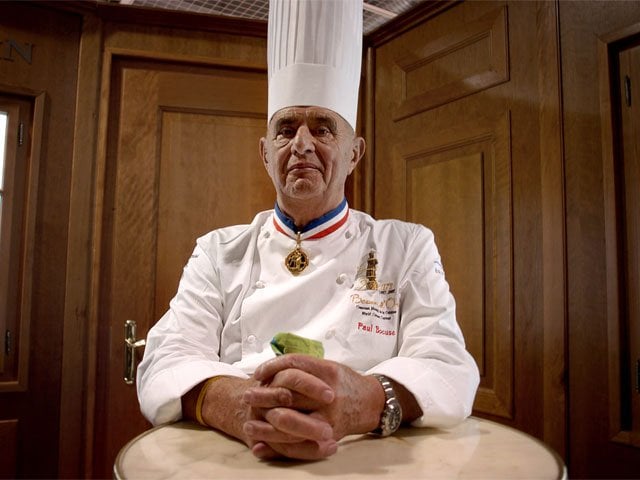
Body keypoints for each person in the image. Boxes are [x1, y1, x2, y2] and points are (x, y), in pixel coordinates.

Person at [137, 0, 479, 462]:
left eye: (322, 128)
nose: (301, 144)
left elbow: (448, 366)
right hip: (242, 455)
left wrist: (361, 401)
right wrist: (239, 405)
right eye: (286, 129)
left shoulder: (405, 246)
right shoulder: (218, 251)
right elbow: (166, 357)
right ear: (264, 153)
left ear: (355, 153)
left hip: (363, 458)